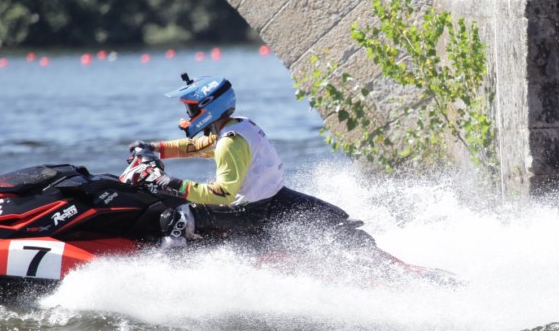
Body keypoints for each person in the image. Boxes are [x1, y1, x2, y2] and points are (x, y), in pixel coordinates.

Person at [124, 73, 374, 251]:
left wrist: (171, 182)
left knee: (177, 217)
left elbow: (222, 194)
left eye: (191, 110)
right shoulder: (239, 127)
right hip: (275, 200)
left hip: (252, 213)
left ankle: (167, 273)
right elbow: (197, 146)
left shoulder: (230, 142)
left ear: (207, 108)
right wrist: (153, 148)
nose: (188, 116)